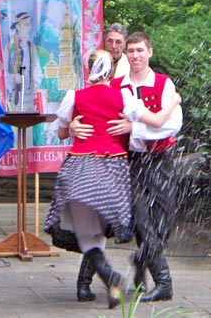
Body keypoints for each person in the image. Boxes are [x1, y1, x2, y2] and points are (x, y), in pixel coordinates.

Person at [44, 49, 181, 309]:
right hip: (114, 167)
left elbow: (61, 133)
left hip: (81, 166)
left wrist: (71, 127)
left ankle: (108, 276)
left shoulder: (75, 96)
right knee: (106, 225)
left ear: (88, 70)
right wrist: (174, 102)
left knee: (88, 230)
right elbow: (158, 119)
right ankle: (108, 278)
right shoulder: (124, 96)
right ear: (111, 70)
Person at [75, 22, 130, 302]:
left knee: (99, 224)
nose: (115, 45)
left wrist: (132, 126)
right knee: (94, 223)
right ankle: (88, 283)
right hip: (103, 156)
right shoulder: (99, 67)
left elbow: (142, 116)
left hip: (125, 154)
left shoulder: (129, 75)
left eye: (119, 41)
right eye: (111, 40)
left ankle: (113, 279)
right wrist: (73, 124)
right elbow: (77, 112)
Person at [5, 12, 43, 111]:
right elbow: (5, 71)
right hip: (14, 93)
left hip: (28, 93)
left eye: (29, 24)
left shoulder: (31, 47)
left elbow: (37, 70)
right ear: (18, 26)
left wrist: (34, 82)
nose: (28, 27)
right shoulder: (10, 47)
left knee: (29, 121)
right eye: (25, 24)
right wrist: (13, 78)